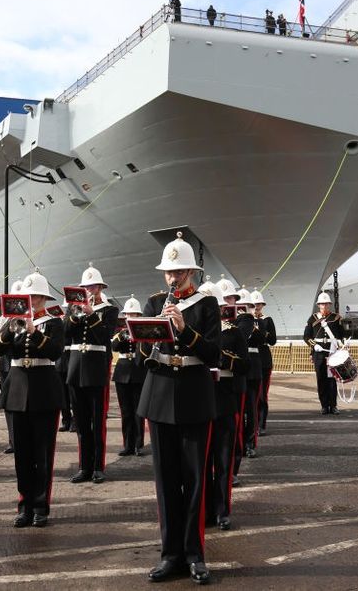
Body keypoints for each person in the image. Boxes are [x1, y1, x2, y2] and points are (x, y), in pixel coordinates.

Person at [137, 232, 220, 585]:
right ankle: (170, 553)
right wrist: (150, 343)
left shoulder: (207, 305)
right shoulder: (154, 303)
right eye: (169, 273)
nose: (172, 279)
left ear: (192, 272)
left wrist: (184, 331)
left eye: (179, 272)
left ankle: (195, 554)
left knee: (195, 480)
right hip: (159, 396)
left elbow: (213, 354)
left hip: (193, 396)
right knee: (166, 482)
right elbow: (142, 352)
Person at [0, 270, 65, 527]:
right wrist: (11, 328)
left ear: (44, 298)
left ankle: (41, 505)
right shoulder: (11, 320)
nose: (30, 300)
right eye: (27, 296)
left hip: (44, 388)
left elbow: (56, 352)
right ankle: (24, 504)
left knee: (42, 453)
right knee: (21, 453)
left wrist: (34, 331)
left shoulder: (54, 322)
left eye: (34, 296)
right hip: (17, 390)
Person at [64, 264, 119, 484]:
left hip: (96, 368)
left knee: (98, 421)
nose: (89, 289)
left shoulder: (109, 309)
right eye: (86, 286)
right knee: (81, 422)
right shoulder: (73, 308)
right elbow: (67, 335)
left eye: (93, 285)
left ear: (99, 287)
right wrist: (76, 316)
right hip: (76, 368)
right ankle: (84, 466)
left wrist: (91, 315)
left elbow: (104, 337)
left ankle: (98, 467)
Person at [202, 281, 247, 531]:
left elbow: (245, 366)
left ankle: (222, 510)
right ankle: (205, 509)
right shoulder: (197, 332)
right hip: (200, 398)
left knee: (222, 459)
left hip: (224, 398)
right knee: (201, 461)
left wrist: (224, 359)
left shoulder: (234, 332)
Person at [111, 294, 146, 456]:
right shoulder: (121, 332)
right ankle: (128, 445)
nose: (130, 316)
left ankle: (139, 445)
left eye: (133, 314)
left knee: (138, 410)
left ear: (139, 316)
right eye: (128, 314)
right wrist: (124, 336)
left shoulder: (143, 332)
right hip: (123, 371)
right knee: (126, 411)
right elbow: (115, 346)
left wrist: (137, 335)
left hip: (138, 371)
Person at [303, 292, 344, 415]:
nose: (324, 306)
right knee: (321, 379)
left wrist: (341, 346)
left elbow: (341, 335)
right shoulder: (313, 318)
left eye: (326, 304)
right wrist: (314, 346)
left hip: (332, 351)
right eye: (322, 304)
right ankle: (324, 405)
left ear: (329, 305)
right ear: (318, 305)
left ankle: (333, 405)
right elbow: (306, 336)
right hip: (319, 353)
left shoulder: (336, 318)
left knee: (332, 379)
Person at [236, 288, 265, 458]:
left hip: (252, 368)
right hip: (237, 366)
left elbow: (263, 339)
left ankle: (250, 442)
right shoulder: (231, 321)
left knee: (250, 409)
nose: (242, 308)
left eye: (246, 305)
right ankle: (240, 442)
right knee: (238, 410)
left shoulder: (255, 322)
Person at [251, 289, 277, 436]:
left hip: (264, 358)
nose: (256, 306)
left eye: (259, 304)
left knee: (262, 395)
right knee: (250, 395)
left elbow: (273, 340)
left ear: (262, 305)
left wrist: (262, 331)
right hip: (251, 358)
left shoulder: (267, 320)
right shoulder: (246, 319)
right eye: (254, 304)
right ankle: (251, 423)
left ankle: (261, 424)